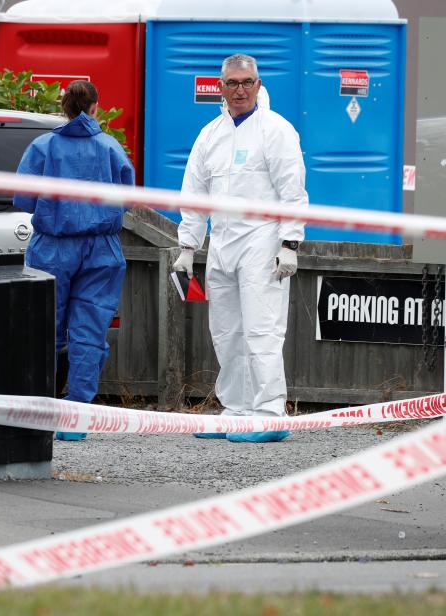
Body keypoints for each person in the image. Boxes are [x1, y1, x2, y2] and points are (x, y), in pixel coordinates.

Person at [173, 54, 308, 443]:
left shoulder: (276, 131)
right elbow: (195, 193)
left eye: (247, 82)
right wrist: (188, 246)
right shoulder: (210, 135)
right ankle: (236, 411)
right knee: (227, 332)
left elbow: (293, 192)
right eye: (232, 83)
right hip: (222, 244)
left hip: (262, 242)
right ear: (220, 87)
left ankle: (268, 414)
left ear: (259, 85)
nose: (240, 90)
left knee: (262, 330)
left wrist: (290, 243)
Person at [14, 80, 135, 441]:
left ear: (63, 105)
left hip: (52, 246)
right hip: (101, 249)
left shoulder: (43, 146)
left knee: (42, 330)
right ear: (97, 106)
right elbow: (126, 197)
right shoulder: (111, 148)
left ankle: (41, 412)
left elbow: (24, 198)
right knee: (90, 331)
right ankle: (77, 416)